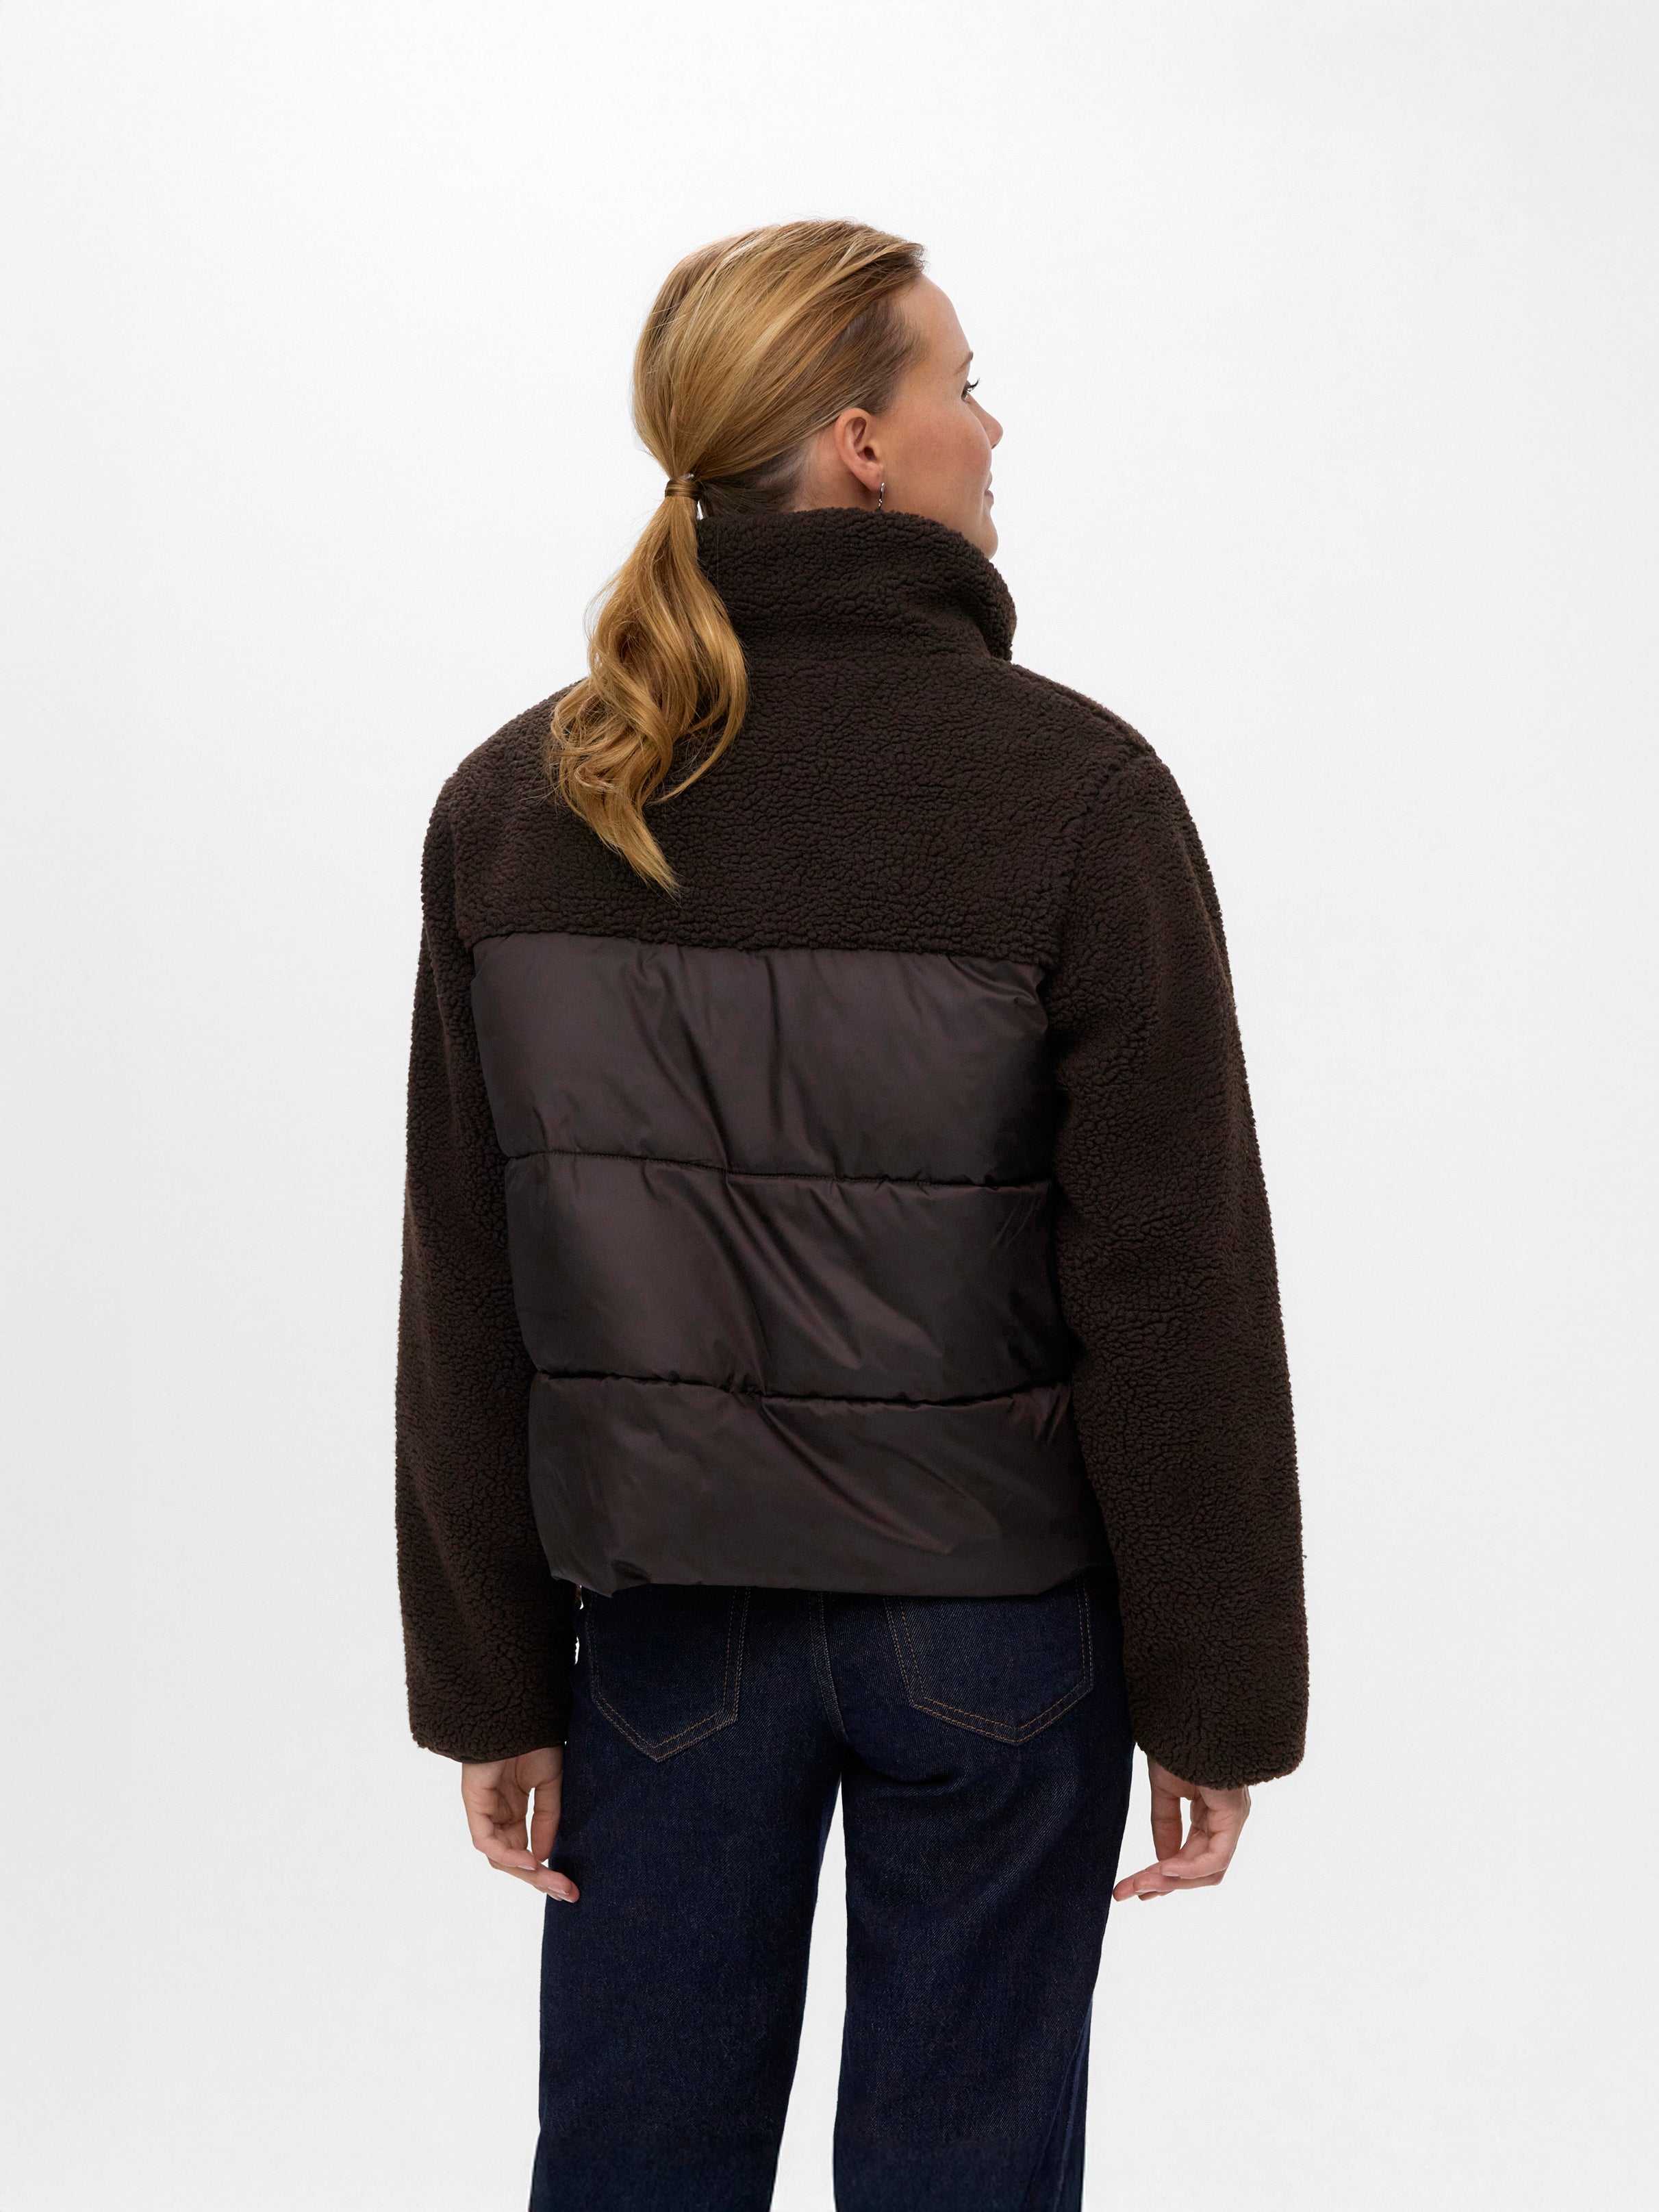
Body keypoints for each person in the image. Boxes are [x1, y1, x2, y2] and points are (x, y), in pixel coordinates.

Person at [395, 219, 1307, 2212]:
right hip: (997, 1635)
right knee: (964, 2176)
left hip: (666, 1638)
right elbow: (1172, 1285)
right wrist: (1219, 1689)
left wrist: (488, 1677)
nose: (995, 428)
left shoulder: (524, 798)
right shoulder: (1076, 793)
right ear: (862, 443)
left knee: (637, 2165)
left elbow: (469, 1282)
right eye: (964, 384)